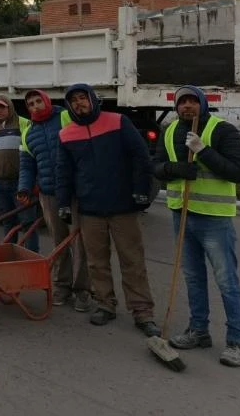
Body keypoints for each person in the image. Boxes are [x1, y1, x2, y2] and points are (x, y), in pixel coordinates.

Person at [154, 85, 240, 367]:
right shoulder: (169, 131)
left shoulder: (223, 130)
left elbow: (238, 172)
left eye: (192, 101)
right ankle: (198, 330)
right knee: (193, 277)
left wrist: (203, 151)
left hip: (214, 217)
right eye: (181, 102)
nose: (187, 106)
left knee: (226, 281)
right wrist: (175, 169)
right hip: (181, 213)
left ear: (203, 104)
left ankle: (237, 342)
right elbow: (156, 166)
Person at [57, 83, 159, 335]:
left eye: (83, 98)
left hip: (122, 206)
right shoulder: (66, 134)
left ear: (93, 99)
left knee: (132, 260)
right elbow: (64, 173)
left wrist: (141, 189)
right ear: (69, 106)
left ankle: (142, 311)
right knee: (96, 262)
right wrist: (62, 203)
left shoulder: (118, 121)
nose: (79, 103)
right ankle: (105, 304)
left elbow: (140, 156)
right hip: (90, 209)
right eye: (74, 101)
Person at [18, 89, 91, 311]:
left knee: (79, 243)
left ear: (47, 101)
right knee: (59, 242)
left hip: (75, 192)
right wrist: (24, 187)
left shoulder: (65, 117)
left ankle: (82, 291)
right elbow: (27, 165)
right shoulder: (28, 132)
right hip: (49, 195)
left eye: (39, 101)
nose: (35, 106)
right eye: (31, 103)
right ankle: (62, 287)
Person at [0, 95, 34, 249]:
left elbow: (33, 155)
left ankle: (32, 257)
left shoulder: (24, 124)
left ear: (9, 107)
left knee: (27, 222)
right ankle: (10, 255)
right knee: (8, 222)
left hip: (20, 184)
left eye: (2, 107)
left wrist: (33, 182)